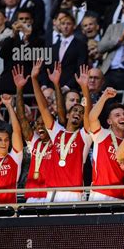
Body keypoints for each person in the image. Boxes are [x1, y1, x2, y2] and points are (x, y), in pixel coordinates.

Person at [32, 60, 92, 202]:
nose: (78, 113)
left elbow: (90, 113)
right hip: (52, 191)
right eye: (75, 110)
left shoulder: (85, 135)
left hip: (74, 192)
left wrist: (84, 88)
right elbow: (43, 108)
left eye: (81, 112)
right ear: (67, 115)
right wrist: (34, 79)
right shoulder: (56, 132)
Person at [12, 64, 54, 203]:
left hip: (50, 195)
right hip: (31, 194)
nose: (40, 127)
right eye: (37, 124)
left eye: (44, 124)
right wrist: (19, 89)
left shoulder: (58, 141)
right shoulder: (34, 141)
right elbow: (21, 117)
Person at [88, 88, 124, 201]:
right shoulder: (102, 134)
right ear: (109, 121)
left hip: (122, 196)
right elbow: (92, 118)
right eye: (117, 115)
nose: (122, 117)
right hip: (100, 193)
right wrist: (104, 97)